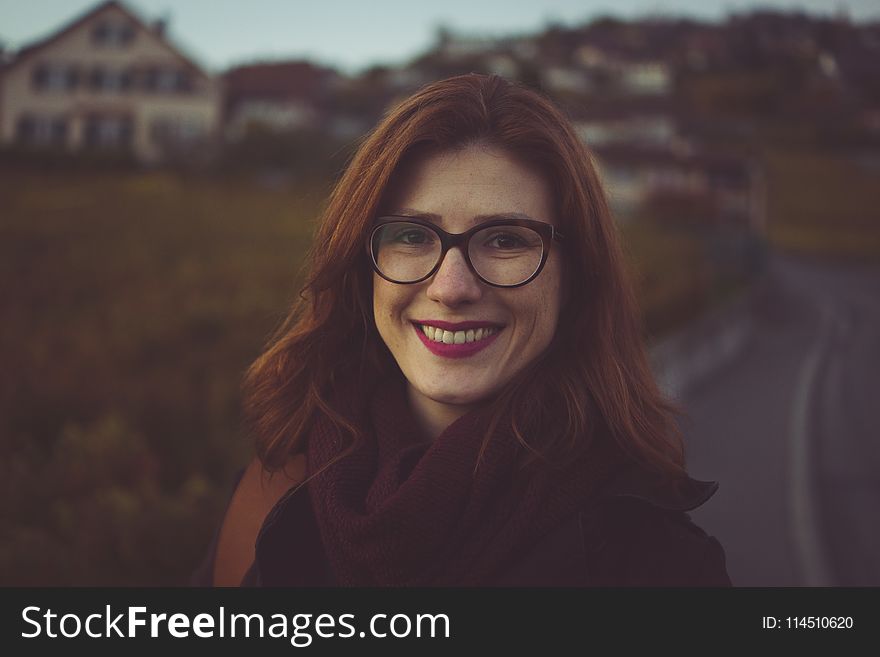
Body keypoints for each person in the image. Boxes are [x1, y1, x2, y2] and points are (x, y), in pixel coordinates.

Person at [193, 73, 731, 587]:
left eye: (503, 240)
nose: (451, 288)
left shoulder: (658, 564)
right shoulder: (273, 500)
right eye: (411, 235)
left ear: (577, 274)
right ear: (362, 264)